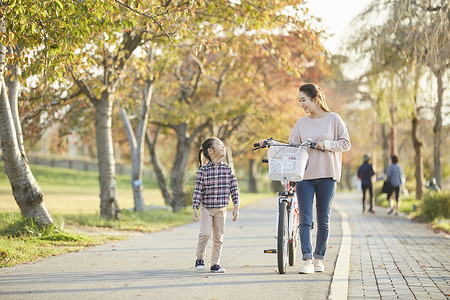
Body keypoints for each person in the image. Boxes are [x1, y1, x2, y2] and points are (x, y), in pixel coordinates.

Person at [289, 83, 351, 274]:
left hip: (327, 176)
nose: (301, 104)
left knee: (323, 220)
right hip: (305, 177)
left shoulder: (334, 119)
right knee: (305, 220)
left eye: (303, 100)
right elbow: (292, 145)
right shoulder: (301, 123)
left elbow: (346, 143)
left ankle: (319, 259)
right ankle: (307, 259)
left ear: (315, 99)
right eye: (299, 101)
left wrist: (327, 144)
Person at [192, 137, 240, 273]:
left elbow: (234, 189)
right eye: (219, 144)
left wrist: (236, 206)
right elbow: (198, 190)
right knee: (205, 234)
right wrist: (196, 207)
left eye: (223, 144)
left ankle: (215, 264)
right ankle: (199, 258)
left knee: (219, 237)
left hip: (221, 209)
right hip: (207, 208)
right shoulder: (203, 171)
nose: (223, 146)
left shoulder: (228, 170)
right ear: (211, 150)